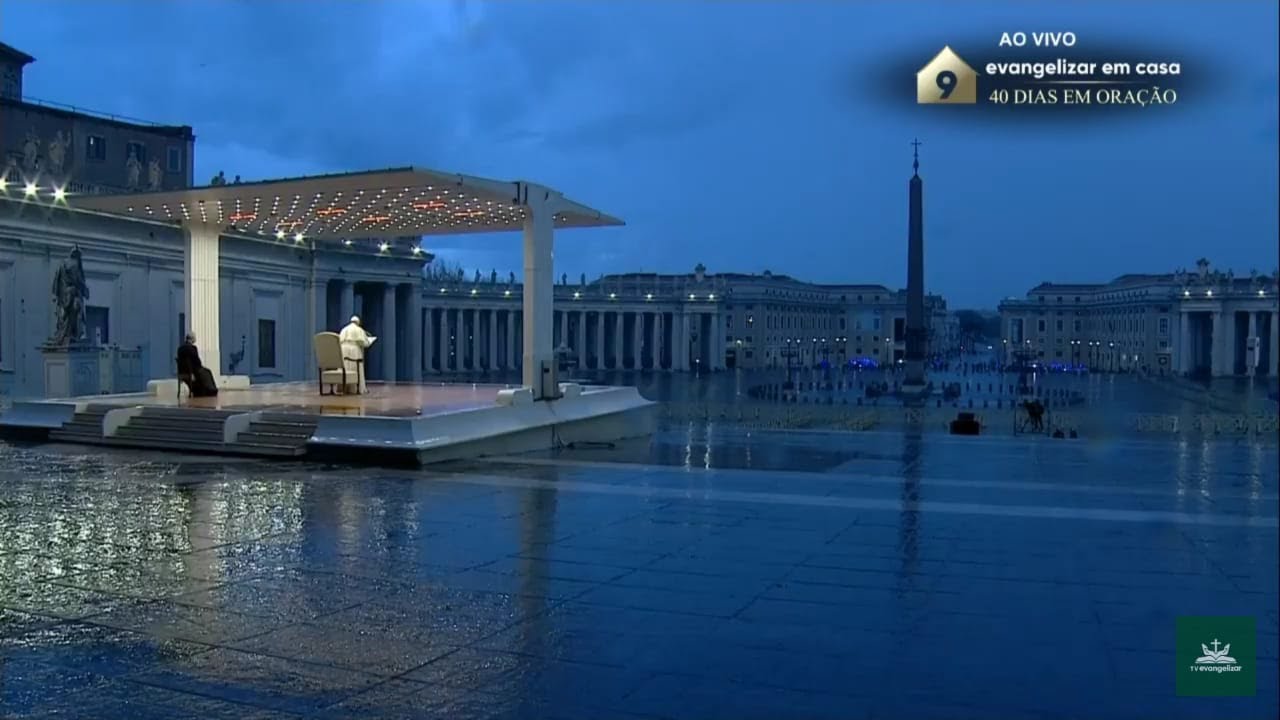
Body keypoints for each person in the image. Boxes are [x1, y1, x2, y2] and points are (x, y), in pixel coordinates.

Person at [338, 315, 376, 394]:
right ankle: (356, 389)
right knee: (355, 368)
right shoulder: (359, 330)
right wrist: (370, 341)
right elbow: (364, 343)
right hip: (354, 351)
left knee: (344, 368)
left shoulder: (343, 329)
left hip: (343, 351)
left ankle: (342, 388)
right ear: (358, 322)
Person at [176, 332, 218, 397]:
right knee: (207, 372)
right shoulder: (193, 348)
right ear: (192, 339)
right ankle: (211, 390)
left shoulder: (180, 349)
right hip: (193, 370)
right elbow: (197, 361)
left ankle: (199, 390)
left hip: (182, 371)